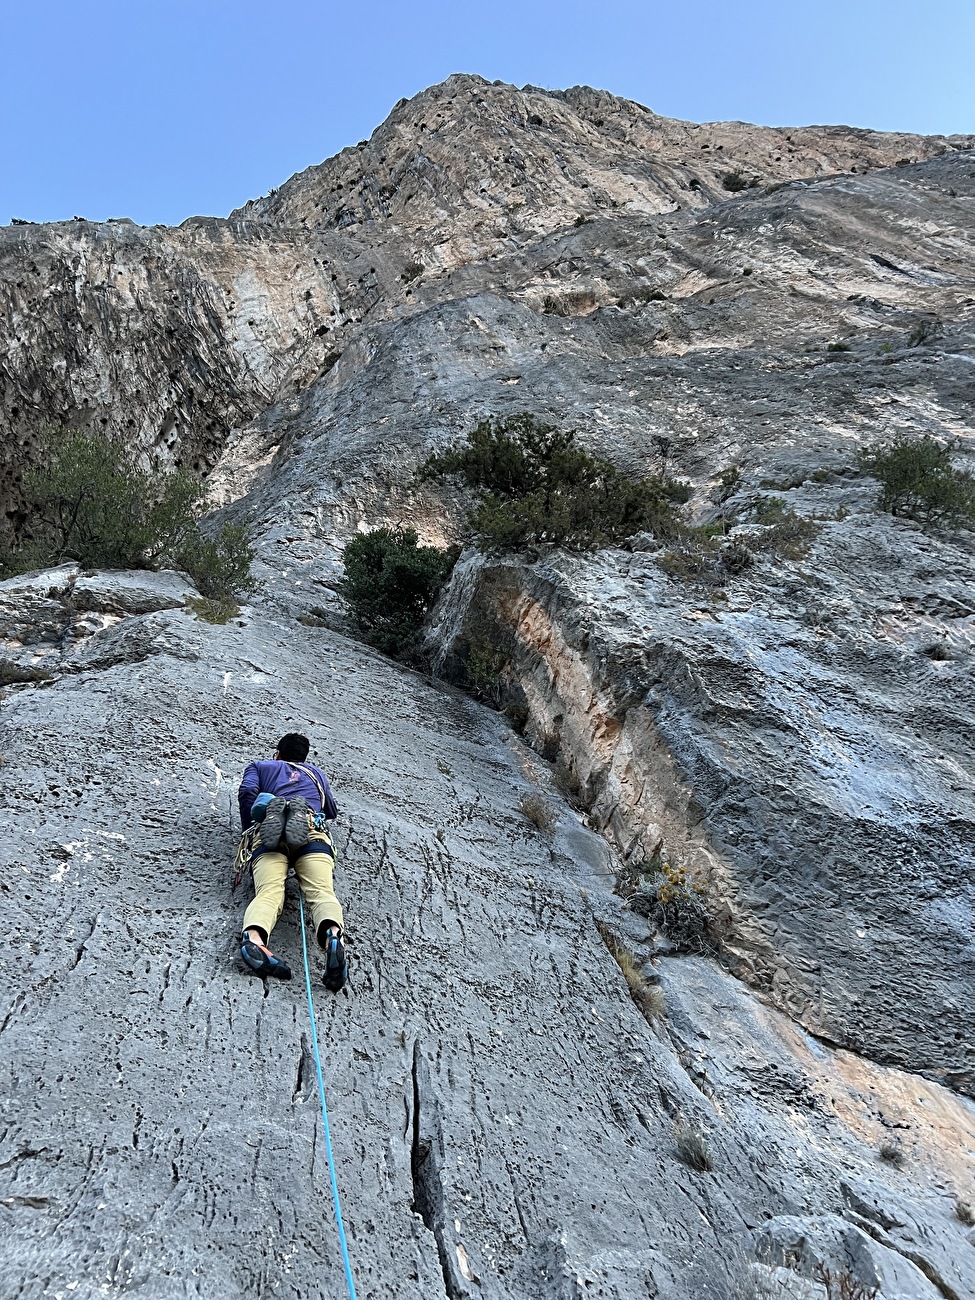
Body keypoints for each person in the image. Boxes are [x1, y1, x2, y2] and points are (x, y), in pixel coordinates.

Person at [237, 732, 347, 991]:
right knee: (321, 892)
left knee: (269, 892)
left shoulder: (260, 766)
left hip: (268, 836)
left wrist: (249, 827)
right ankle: (333, 937)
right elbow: (329, 809)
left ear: (277, 753)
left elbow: (247, 791)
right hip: (311, 832)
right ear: (304, 758)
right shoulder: (315, 773)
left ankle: (254, 939)